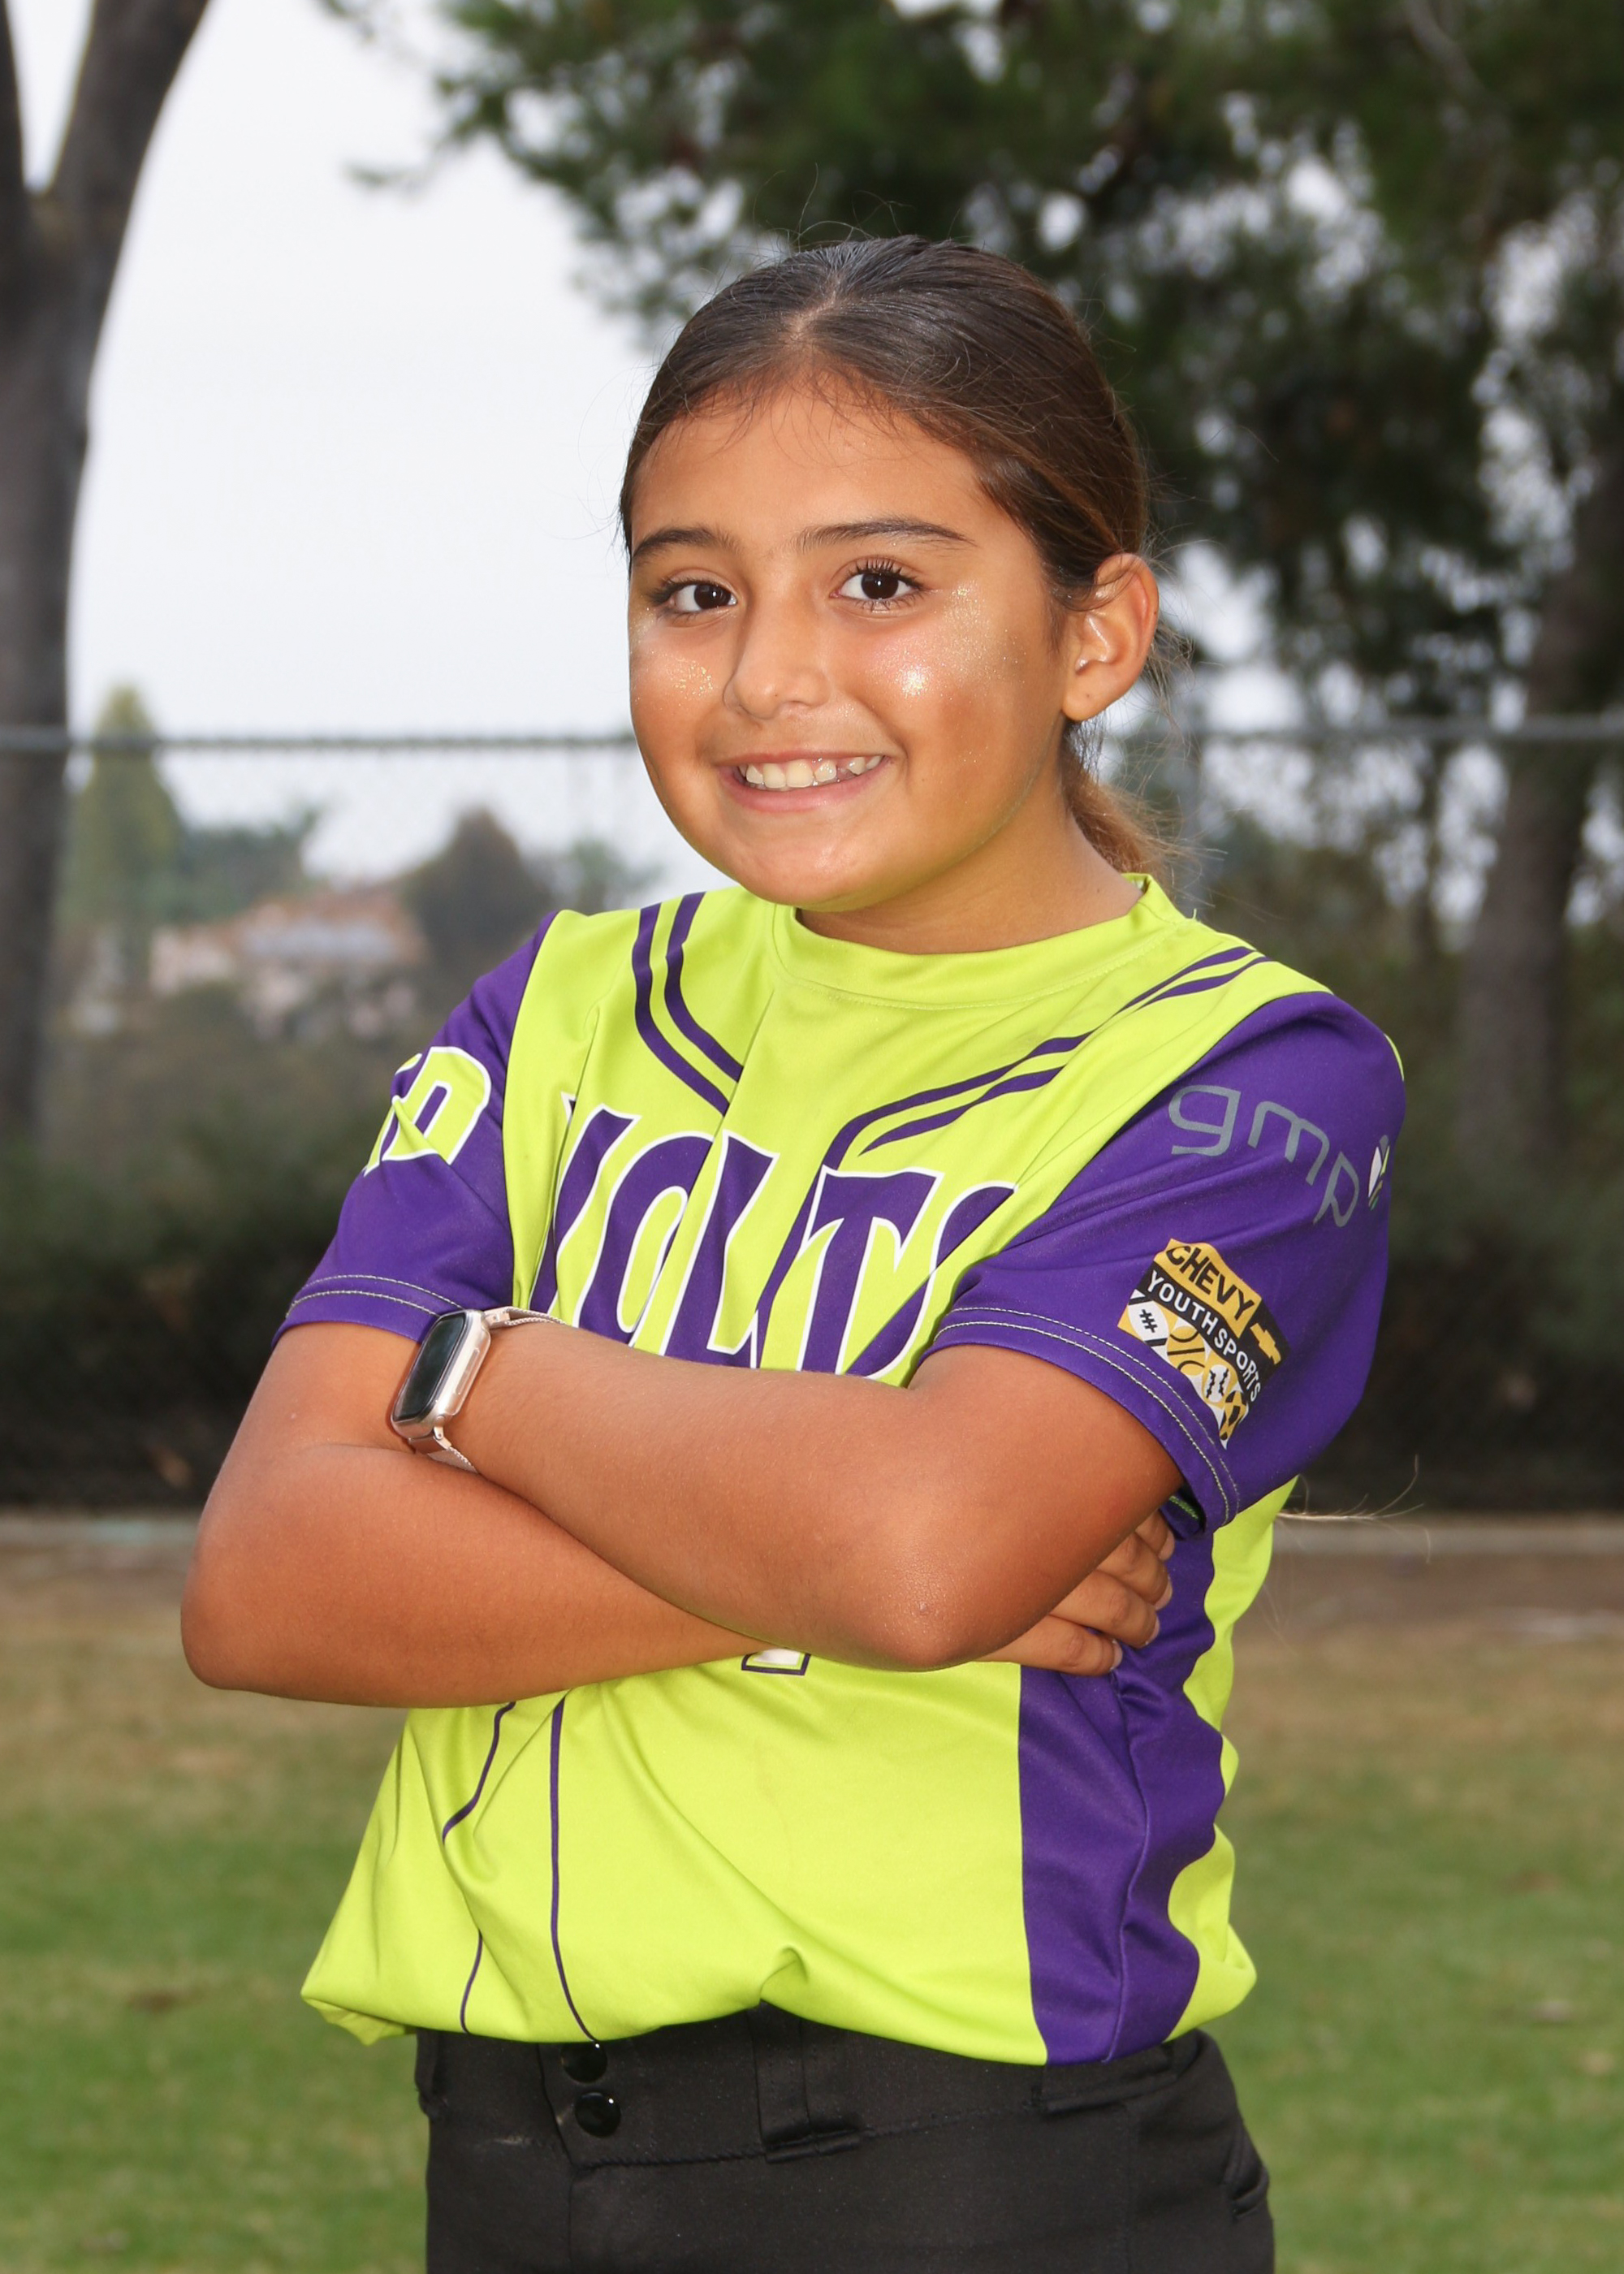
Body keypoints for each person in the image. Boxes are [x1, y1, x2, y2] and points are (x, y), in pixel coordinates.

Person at [183, 237, 1402, 2273]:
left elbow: (924, 1546)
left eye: (880, 583)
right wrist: (820, 1546)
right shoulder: (562, 1006)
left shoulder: (1246, 1077)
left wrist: (479, 1377)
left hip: (972, 2179)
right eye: (694, 592)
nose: (765, 676)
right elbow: (269, 1576)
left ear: (1097, 631)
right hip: (512, 2161)